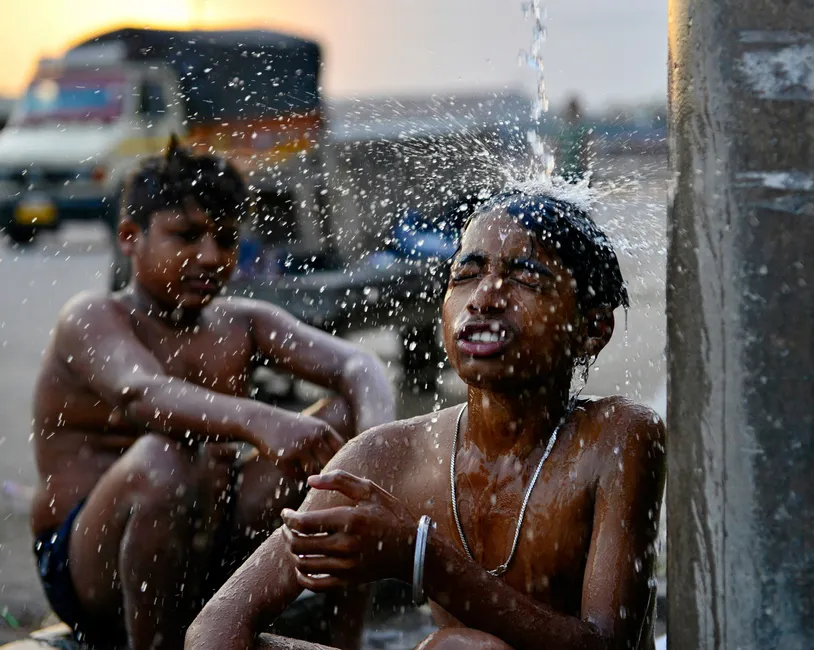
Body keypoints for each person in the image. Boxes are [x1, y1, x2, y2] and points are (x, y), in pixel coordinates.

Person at [187, 190, 667, 649]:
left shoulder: (618, 438)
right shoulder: (386, 456)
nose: (484, 298)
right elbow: (216, 624)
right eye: (466, 274)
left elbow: (609, 644)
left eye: (525, 278)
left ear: (592, 329)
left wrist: (419, 556)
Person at [30, 137, 396, 650]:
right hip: (93, 567)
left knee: (348, 437)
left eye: (225, 240)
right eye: (186, 236)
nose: (209, 256)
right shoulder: (94, 318)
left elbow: (357, 364)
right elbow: (142, 393)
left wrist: (374, 443)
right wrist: (262, 420)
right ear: (130, 237)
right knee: (169, 452)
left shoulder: (241, 322)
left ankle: (343, 646)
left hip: (210, 545)